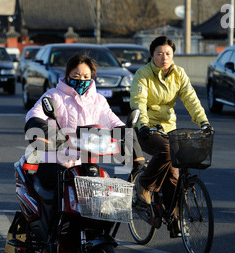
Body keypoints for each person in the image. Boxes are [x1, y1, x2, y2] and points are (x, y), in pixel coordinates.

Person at [25, 53, 145, 190]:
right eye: (76, 76)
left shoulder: (98, 100)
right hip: (54, 160)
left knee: (104, 190)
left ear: (92, 77)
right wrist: (44, 131)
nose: (81, 80)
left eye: (86, 77)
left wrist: (126, 135)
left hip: (86, 163)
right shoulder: (53, 95)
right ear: (67, 74)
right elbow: (35, 114)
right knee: (61, 186)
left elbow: (114, 121)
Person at [130, 36, 211, 217]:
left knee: (175, 173)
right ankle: (144, 183)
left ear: (173, 55)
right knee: (166, 151)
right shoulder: (142, 75)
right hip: (146, 128)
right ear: (152, 55)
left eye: (168, 53)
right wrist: (142, 124)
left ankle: (172, 216)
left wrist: (203, 122)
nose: (164, 57)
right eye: (159, 53)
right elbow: (138, 102)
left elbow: (191, 100)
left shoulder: (179, 73)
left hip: (168, 127)